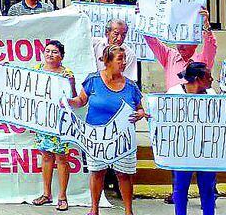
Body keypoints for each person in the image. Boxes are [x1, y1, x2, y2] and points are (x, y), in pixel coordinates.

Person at [68, 44, 148, 215]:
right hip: (96, 138)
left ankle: (128, 211)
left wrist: (141, 114)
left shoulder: (131, 86)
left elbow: (140, 108)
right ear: (107, 61)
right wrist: (68, 102)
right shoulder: (93, 80)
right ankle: (94, 209)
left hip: (122, 139)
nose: (124, 62)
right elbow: (80, 101)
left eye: (125, 59)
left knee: (124, 175)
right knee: (97, 172)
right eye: (120, 59)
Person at [30, 40, 76, 212]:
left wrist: (71, 83)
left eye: (54, 52)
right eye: (47, 51)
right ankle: (46, 194)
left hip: (60, 121)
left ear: (61, 56)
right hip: (43, 120)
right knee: (46, 156)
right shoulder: (36, 69)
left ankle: (62, 196)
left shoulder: (66, 73)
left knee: (61, 158)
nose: (50, 54)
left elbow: (73, 97)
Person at [167, 62, 217, 215]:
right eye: (208, 76)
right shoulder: (174, 92)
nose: (212, 79)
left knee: (208, 188)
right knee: (180, 188)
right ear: (197, 78)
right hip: (182, 149)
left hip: (206, 149)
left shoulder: (212, 94)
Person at [145, 8, 215, 90]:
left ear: (195, 44)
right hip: (172, 98)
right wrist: (144, 18)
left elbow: (211, 46)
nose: (181, 46)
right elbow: (152, 41)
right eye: (178, 41)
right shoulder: (169, 56)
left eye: (185, 42)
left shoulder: (202, 61)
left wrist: (206, 25)